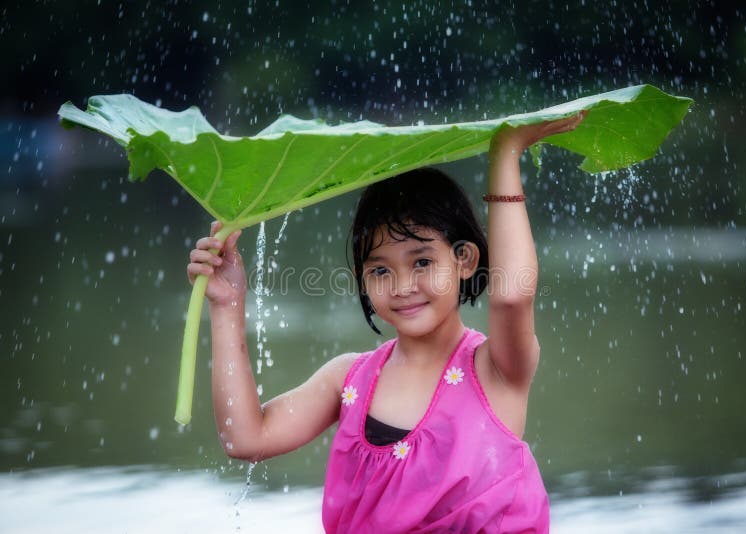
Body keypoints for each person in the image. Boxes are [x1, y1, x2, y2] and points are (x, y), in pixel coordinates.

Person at [187, 112, 586, 533]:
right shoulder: (349, 379)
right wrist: (228, 306)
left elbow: (511, 297)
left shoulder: (495, 371)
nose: (402, 286)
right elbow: (245, 438)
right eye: (380, 271)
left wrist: (506, 154)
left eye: (422, 262)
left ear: (465, 260)